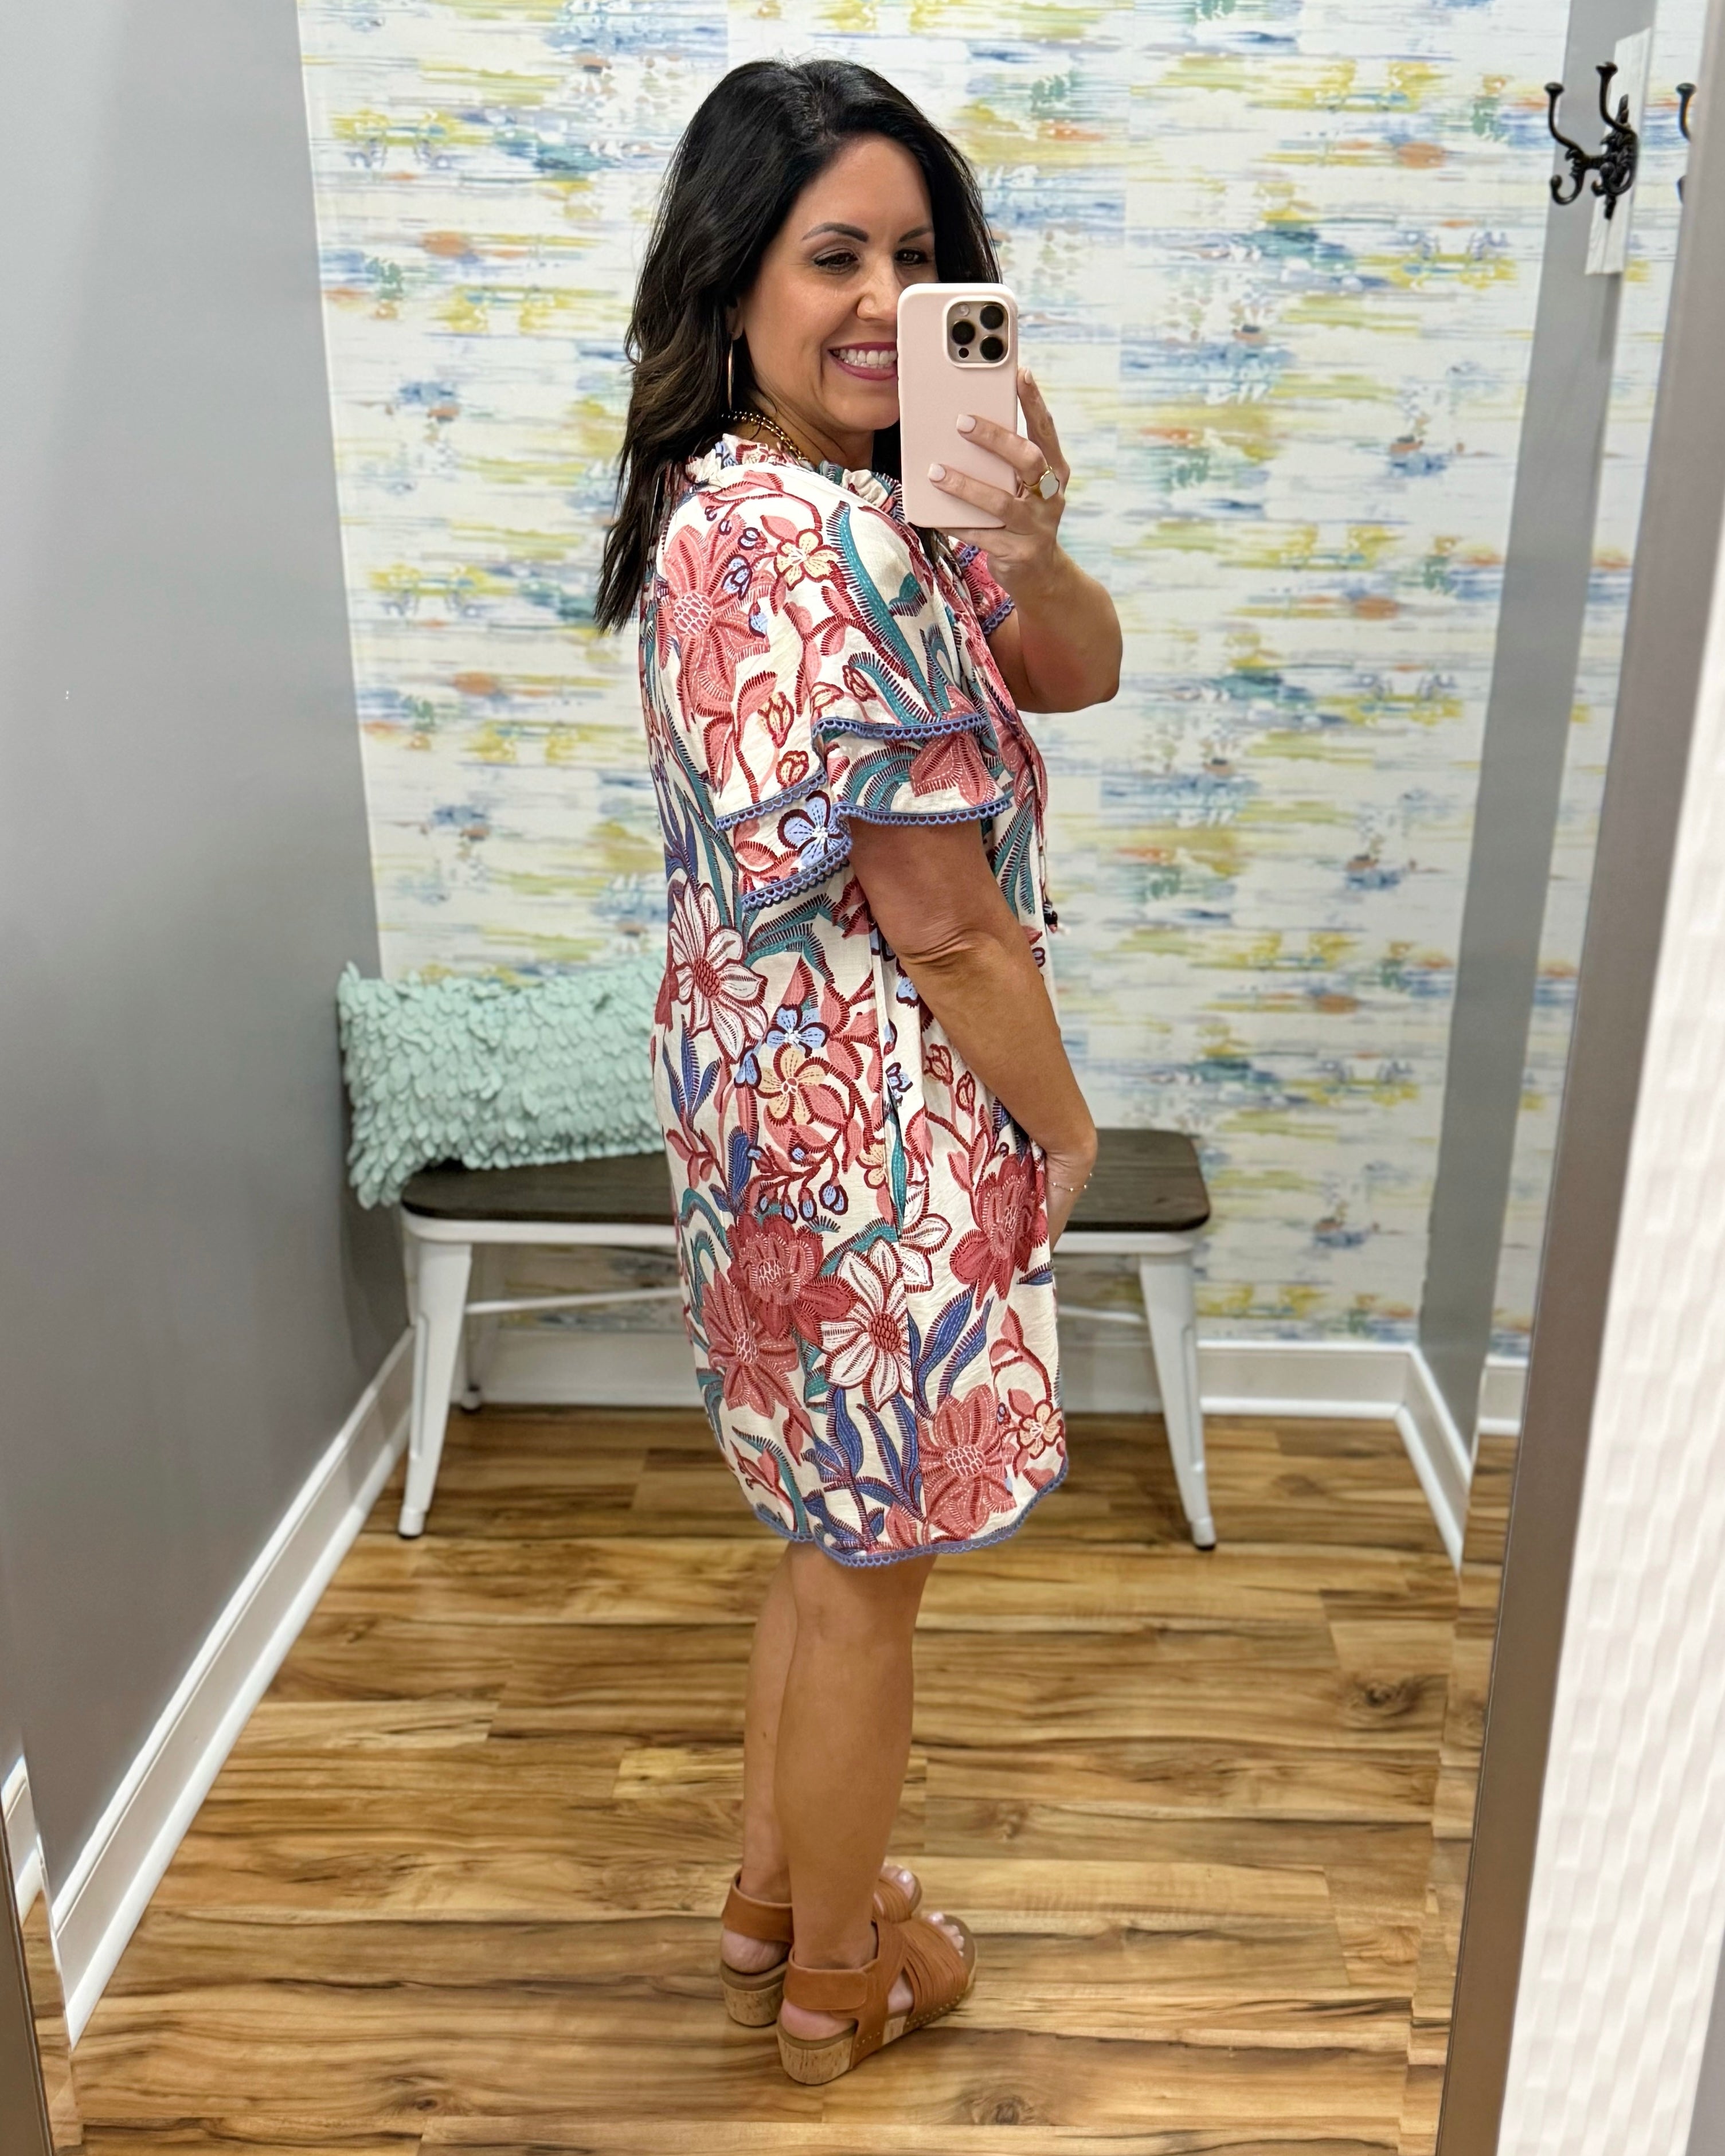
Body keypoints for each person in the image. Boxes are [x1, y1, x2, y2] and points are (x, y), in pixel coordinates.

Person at [596, 55, 1119, 2084]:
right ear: (733, 278)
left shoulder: (746, 507)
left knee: (824, 1544)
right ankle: (839, 1975)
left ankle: (768, 1901)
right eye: (834, 256)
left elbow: (1072, 668)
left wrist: (1027, 538)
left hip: (756, 1118)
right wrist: (1061, 1125)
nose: (883, 300)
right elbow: (946, 916)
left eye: (917, 257)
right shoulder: (842, 543)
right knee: (873, 1582)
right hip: (875, 1132)